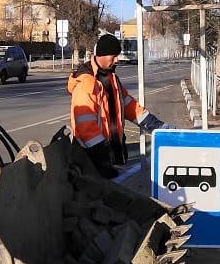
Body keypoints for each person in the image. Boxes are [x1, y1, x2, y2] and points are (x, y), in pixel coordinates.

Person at [67, 33, 167, 177]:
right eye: (113, 56)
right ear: (101, 55)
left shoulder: (111, 78)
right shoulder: (86, 82)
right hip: (91, 160)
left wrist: (157, 126)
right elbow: (85, 125)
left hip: (107, 155)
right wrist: (102, 155)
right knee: (95, 197)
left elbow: (130, 107)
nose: (117, 60)